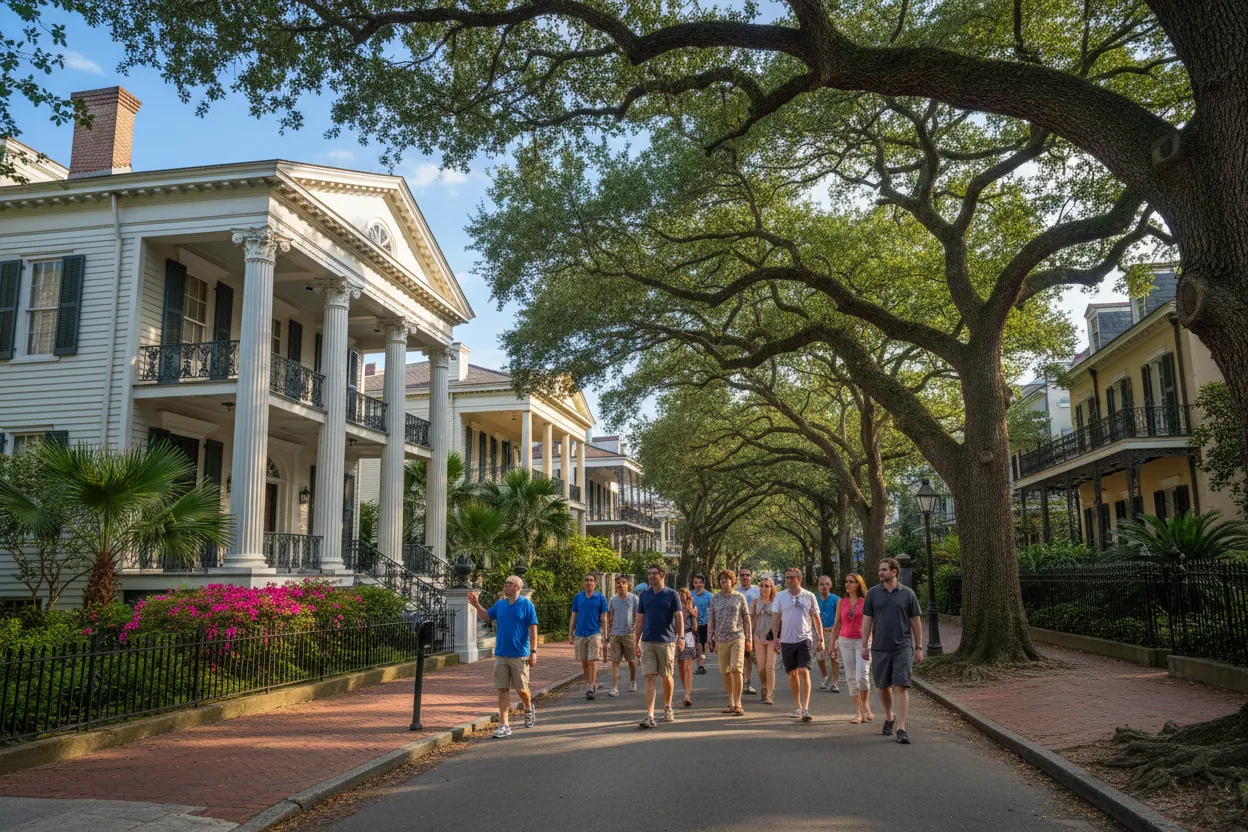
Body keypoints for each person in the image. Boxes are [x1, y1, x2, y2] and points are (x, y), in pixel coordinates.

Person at [861, 557, 924, 744]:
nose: (880, 573)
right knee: (882, 686)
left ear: (894, 572)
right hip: (880, 646)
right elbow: (867, 620)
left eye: (884, 570)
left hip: (902, 646)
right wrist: (864, 645)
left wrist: (918, 647)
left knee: (902, 685)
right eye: (880, 570)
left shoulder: (908, 594)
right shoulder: (873, 594)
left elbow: (916, 622)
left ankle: (901, 728)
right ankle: (889, 717)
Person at [467, 577, 538, 738]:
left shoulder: (527, 605)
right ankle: (504, 725)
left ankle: (527, 706)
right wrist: (477, 606)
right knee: (502, 688)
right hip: (501, 654)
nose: (505, 585)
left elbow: (533, 629)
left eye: (509, 584)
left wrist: (533, 651)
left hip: (520, 654)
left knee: (521, 689)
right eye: (505, 583)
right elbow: (486, 616)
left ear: (518, 587)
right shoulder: (500, 604)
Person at [634, 563, 684, 728]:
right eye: (649, 573)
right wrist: (637, 641)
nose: (650, 576)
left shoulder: (672, 595)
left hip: (666, 641)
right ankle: (650, 715)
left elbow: (679, 616)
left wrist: (681, 637)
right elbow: (640, 618)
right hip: (648, 641)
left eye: (654, 573)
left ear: (662, 575)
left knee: (666, 676)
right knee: (649, 676)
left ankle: (668, 707)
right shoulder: (644, 595)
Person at [772, 567, 822, 722]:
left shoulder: (809, 596)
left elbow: (816, 618)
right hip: (787, 640)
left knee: (803, 671)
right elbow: (776, 618)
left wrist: (820, 639)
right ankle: (798, 705)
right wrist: (775, 637)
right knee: (792, 673)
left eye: (791, 577)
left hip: (804, 638)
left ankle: (806, 708)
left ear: (799, 579)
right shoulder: (780, 596)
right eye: (786, 577)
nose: (788, 580)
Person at [830, 572, 874, 724]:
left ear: (858, 584)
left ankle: (866, 703)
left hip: (863, 641)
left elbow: (872, 622)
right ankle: (858, 713)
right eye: (846, 581)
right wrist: (832, 645)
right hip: (845, 641)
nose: (847, 584)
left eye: (851, 582)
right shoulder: (842, 602)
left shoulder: (866, 601)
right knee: (850, 677)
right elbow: (837, 624)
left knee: (862, 676)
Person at [707, 569, 752, 715]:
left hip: (737, 637)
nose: (724, 582)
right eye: (721, 580)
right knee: (726, 671)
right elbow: (711, 620)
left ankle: (738, 703)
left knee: (736, 668)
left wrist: (748, 638)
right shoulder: (715, 598)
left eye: (727, 579)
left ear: (732, 582)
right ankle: (731, 702)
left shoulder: (739, 597)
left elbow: (746, 618)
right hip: (720, 639)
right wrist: (709, 638)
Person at [569, 573, 609, 700]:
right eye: (586, 580)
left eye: (591, 580)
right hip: (580, 633)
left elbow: (604, 617)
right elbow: (574, 615)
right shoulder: (578, 597)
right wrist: (570, 632)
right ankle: (589, 683)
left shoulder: (600, 598)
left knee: (592, 661)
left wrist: (605, 636)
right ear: (583, 583)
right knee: (584, 661)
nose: (588, 582)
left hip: (594, 632)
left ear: (595, 583)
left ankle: (591, 687)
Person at [606, 575, 639, 696]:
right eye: (618, 583)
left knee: (631, 660)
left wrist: (635, 627)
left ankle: (633, 681)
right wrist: (608, 633)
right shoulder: (613, 600)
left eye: (623, 582)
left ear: (628, 584)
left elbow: (639, 615)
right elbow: (610, 616)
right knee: (615, 661)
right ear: (616, 585)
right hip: (615, 634)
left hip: (629, 634)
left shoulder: (634, 599)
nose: (621, 585)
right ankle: (614, 687)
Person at [750, 577, 779, 705]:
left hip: (772, 637)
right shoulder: (756, 602)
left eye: (767, 586)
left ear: (772, 588)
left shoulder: (776, 602)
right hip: (758, 636)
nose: (764, 588)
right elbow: (752, 620)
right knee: (761, 668)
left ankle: (769, 694)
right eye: (762, 585)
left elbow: (780, 619)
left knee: (770, 667)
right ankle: (764, 685)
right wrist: (749, 636)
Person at [736, 568, 761, 695]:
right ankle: (747, 683)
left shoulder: (758, 590)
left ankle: (766, 684)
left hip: (758, 626)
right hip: (741, 626)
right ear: (739, 577)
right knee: (746, 657)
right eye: (742, 575)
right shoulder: (735, 591)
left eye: (747, 575)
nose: (745, 577)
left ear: (751, 576)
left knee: (759, 658)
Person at [815, 575, 841, 693]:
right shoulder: (814, 598)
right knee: (820, 657)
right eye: (821, 584)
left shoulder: (836, 600)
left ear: (830, 586)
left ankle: (834, 683)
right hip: (818, 633)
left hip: (832, 632)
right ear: (818, 586)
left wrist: (836, 629)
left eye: (826, 584)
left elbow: (840, 617)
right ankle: (825, 676)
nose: (824, 587)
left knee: (834, 657)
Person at [674, 587, 698, 707]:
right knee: (681, 667)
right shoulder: (674, 607)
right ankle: (685, 690)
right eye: (680, 594)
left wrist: (693, 614)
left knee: (688, 668)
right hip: (676, 637)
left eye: (684, 594)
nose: (682, 596)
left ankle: (687, 694)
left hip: (688, 636)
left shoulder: (692, 607)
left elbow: (695, 628)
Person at [690, 574, 712, 674]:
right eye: (696, 583)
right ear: (693, 584)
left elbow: (712, 611)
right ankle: (700, 666)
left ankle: (701, 660)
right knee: (697, 645)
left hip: (705, 623)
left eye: (700, 582)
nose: (698, 585)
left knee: (702, 645)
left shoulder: (709, 596)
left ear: (703, 583)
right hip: (693, 624)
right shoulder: (690, 595)